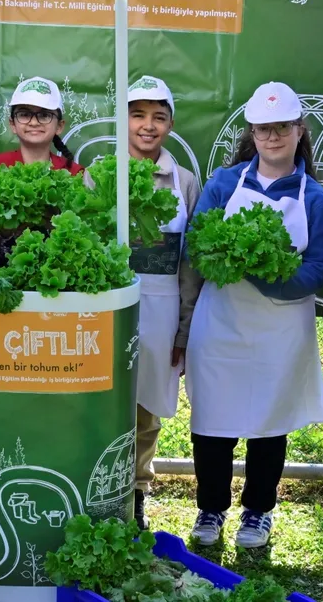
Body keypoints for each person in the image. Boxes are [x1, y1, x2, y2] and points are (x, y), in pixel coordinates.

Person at [184, 82, 323, 549]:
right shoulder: (223, 184)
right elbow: (197, 243)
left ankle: (258, 512)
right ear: (252, 132)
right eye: (263, 128)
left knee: (270, 424)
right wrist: (235, 259)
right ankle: (210, 508)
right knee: (212, 420)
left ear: (298, 130)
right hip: (221, 325)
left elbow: (316, 271)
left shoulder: (317, 200)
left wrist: (264, 277)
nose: (272, 136)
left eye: (282, 128)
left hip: (281, 330)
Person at [82, 76, 203, 530]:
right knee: (101, 401)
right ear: (124, 121)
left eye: (158, 116)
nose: (147, 126)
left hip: (163, 304)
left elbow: (190, 264)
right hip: (109, 305)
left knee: (146, 410)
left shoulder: (185, 181)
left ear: (170, 124)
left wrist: (185, 328)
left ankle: (135, 492)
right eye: (137, 115)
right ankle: (94, 488)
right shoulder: (100, 173)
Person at [0, 76, 85, 175]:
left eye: (44, 115)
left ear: (59, 126)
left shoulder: (76, 175)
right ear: (12, 124)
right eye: (24, 114)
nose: (34, 123)